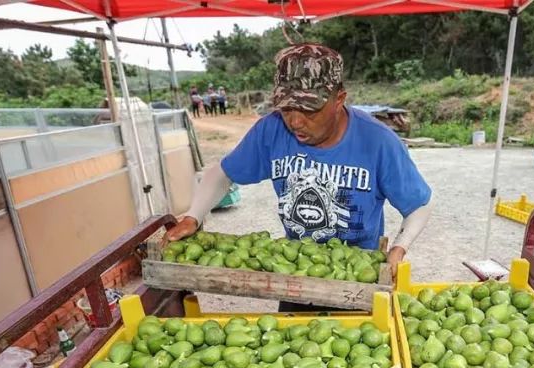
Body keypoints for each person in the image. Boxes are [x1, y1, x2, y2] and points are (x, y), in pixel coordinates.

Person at [164, 43, 432, 311]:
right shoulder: (271, 131)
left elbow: (418, 204)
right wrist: (193, 216)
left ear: (339, 99)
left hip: (359, 279)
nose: (295, 121)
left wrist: (399, 248)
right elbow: (223, 173)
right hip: (296, 274)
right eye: (286, 107)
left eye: (309, 109)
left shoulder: (377, 141)